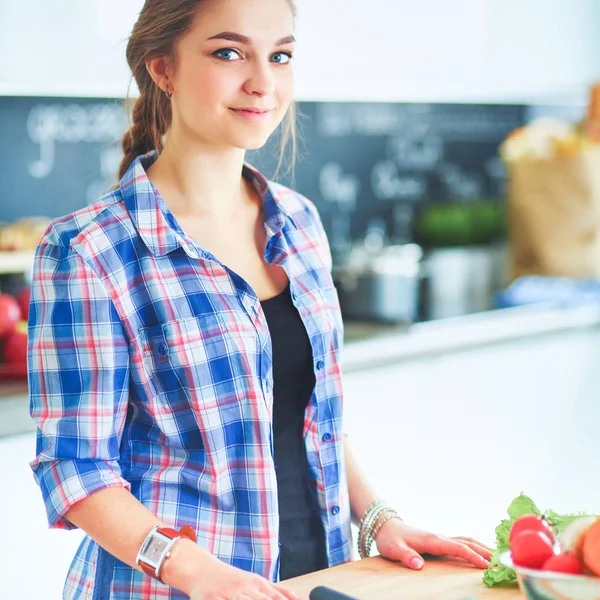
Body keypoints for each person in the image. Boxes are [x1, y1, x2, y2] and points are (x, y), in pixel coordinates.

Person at [27, 0, 492, 598]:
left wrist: (380, 519)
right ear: (162, 69)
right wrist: (196, 572)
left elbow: (308, 417)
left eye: (280, 55)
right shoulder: (89, 250)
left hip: (316, 579)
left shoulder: (299, 224)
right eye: (229, 53)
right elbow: (76, 468)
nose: (262, 82)